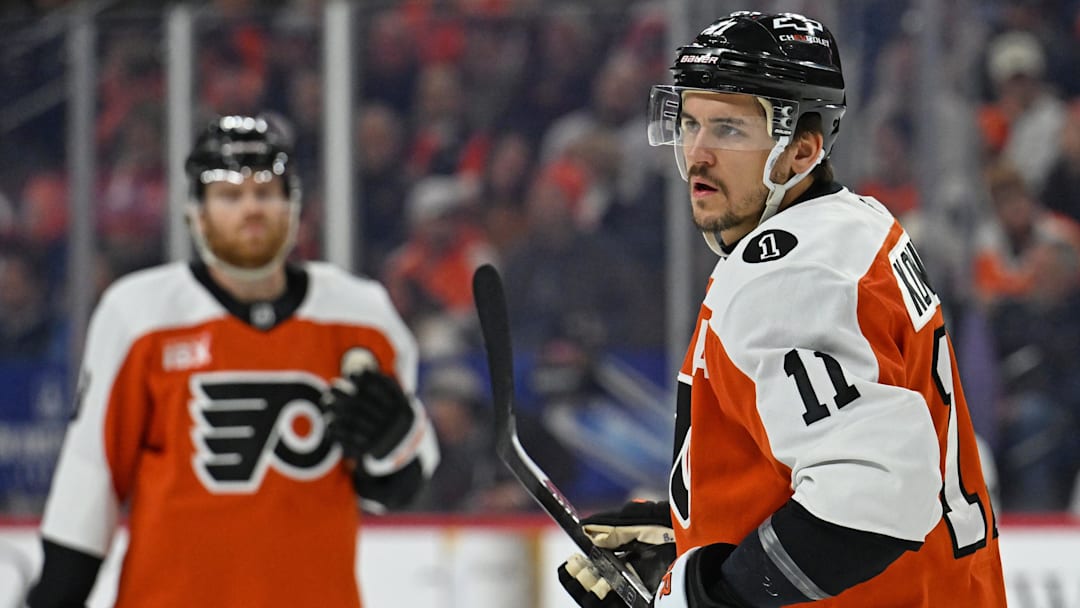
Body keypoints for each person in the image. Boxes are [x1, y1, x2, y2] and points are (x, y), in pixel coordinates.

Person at [558, 11, 1006, 608]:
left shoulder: (791, 272)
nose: (697, 153)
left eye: (730, 129)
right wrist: (696, 524)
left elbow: (873, 492)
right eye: (690, 123)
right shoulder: (856, 224)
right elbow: (822, 446)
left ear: (803, 148)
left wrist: (716, 595)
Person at [26, 114, 439, 608]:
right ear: (195, 214)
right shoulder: (139, 314)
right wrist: (56, 595)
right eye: (229, 195)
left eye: (266, 192)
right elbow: (92, 472)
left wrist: (395, 444)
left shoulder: (363, 315)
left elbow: (396, 485)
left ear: (295, 207)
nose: (251, 208)